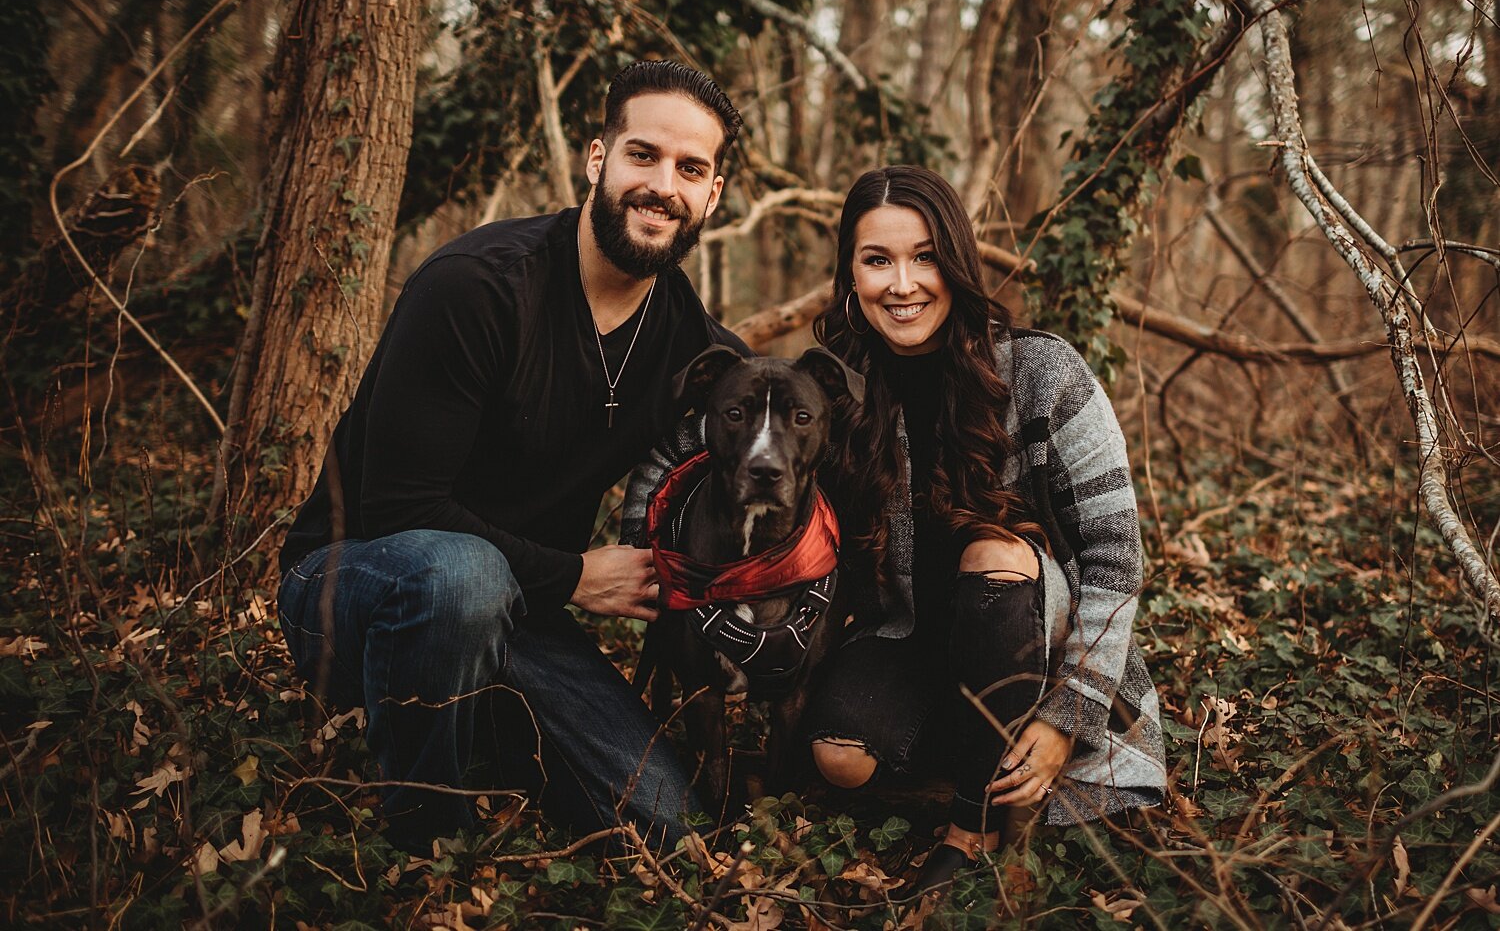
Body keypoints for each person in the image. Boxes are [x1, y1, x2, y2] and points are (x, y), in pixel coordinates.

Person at [275, 60, 750, 854]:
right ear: (598, 160)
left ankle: (480, 723)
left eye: (689, 168)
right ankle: (428, 849)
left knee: (670, 825)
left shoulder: (691, 348)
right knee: (460, 578)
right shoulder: (478, 288)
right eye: (643, 155)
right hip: (352, 586)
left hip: (518, 616)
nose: (662, 185)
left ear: (711, 195)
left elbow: (786, 418)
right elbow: (399, 509)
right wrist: (573, 577)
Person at [804, 165, 1167, 893]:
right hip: (912, 635)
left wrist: (1069, 716)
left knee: (994, 551)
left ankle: (968, 829)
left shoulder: (1042, 371)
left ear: (957, 263)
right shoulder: (834, 387)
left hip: (1030, 627)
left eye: (925, 256)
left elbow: (1117, 559)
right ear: (850, 275)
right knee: (838, 759)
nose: (903, 283)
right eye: (878, 261)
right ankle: (981, 750)